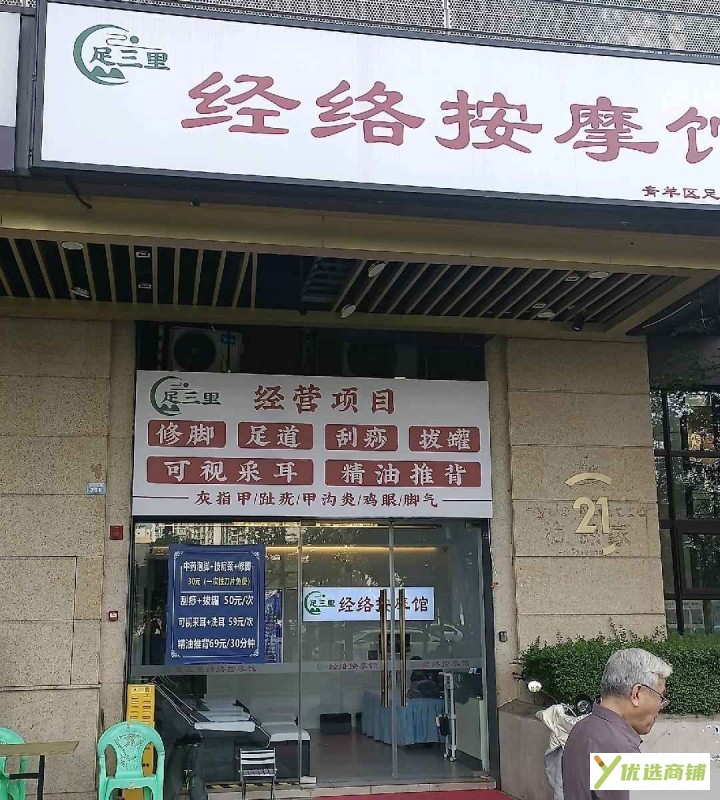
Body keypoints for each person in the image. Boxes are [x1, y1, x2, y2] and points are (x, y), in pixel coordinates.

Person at [562, 648, 672, 800]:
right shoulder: (620, 749)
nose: (660, 706)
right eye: (661, 697)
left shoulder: (582, 728)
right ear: (637, 694)